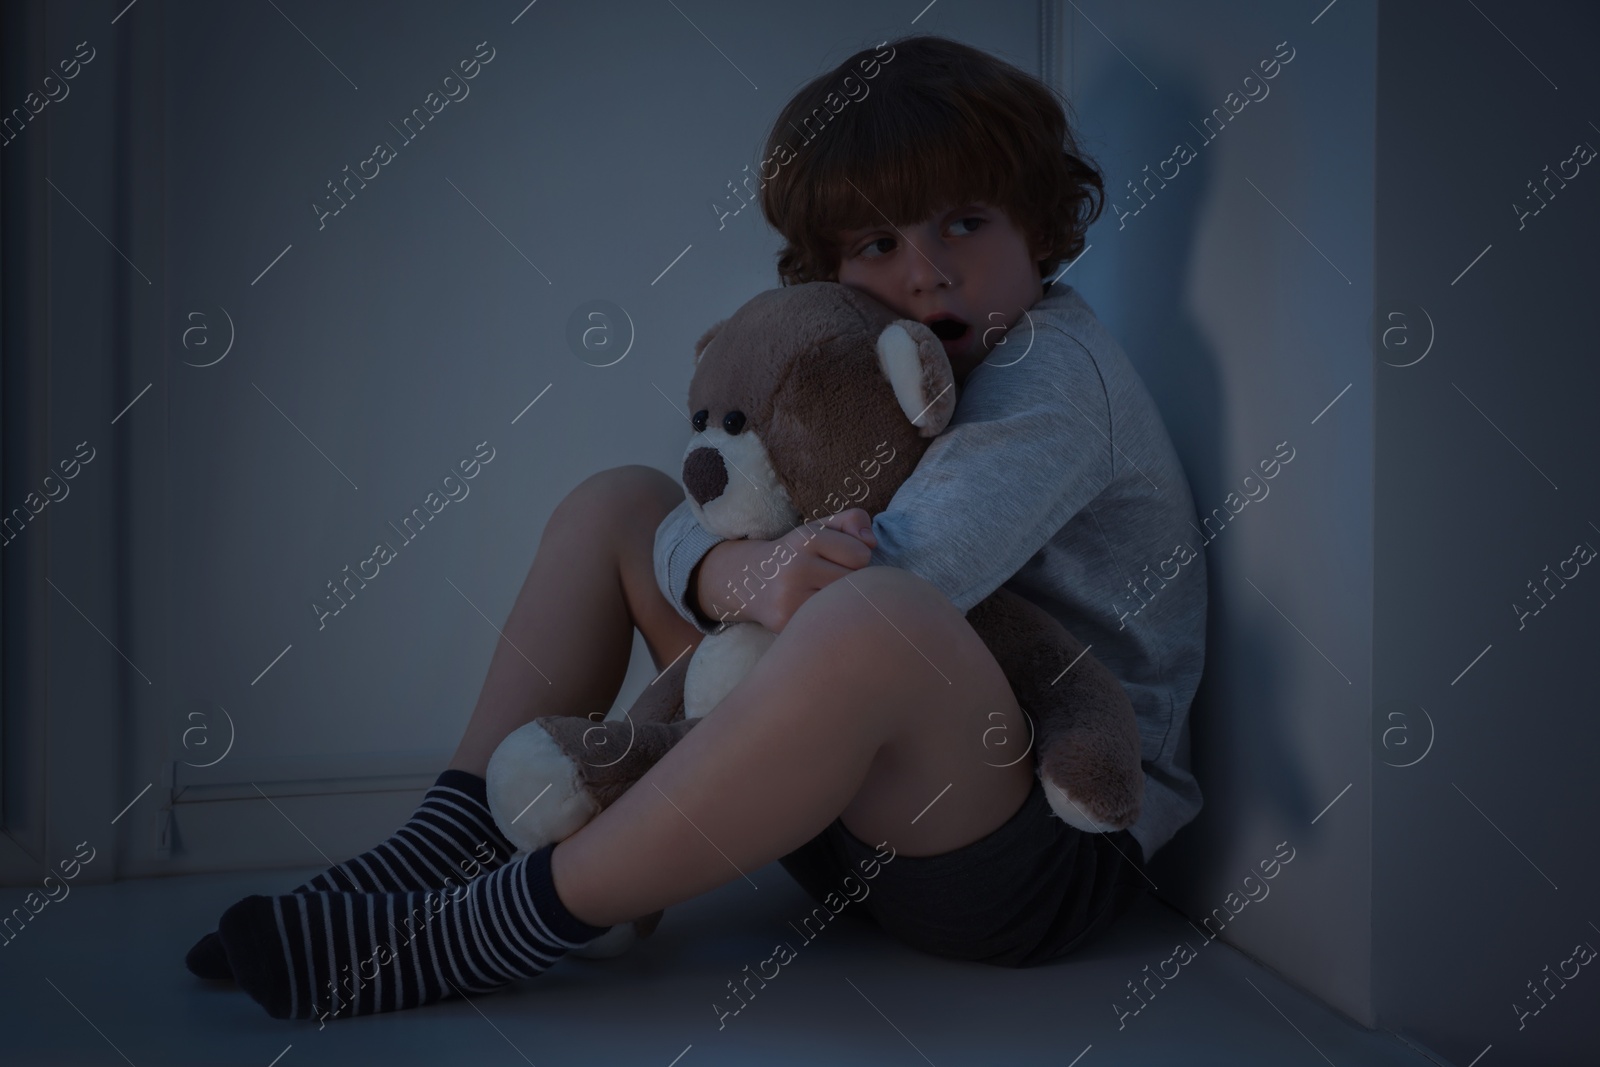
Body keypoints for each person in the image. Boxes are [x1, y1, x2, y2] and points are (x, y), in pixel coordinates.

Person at [190, 33, 1208, 1022]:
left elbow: (895, 578)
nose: (927, 273)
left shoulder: (1048, 377)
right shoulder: (860, 368)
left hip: (1032, 846)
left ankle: (495, 924)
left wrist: (759, 578)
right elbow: (722, 525)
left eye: (964, 223)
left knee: (873, 616)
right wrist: (735, 572)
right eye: (878, 242)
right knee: (619, 502)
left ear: (1036, 223)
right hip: (842, 809)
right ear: (825, 272)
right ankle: (446, 841)